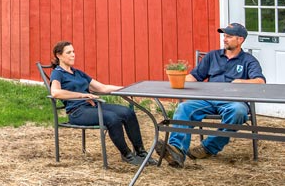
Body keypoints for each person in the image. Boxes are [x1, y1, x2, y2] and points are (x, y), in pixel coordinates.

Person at [157, 23, 265, 168]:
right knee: (184, 107)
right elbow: (195, 77)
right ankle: (176, 150)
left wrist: (240, 81)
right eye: (224, 36)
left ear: (240, 40)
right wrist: (178, 79)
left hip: (233, 101)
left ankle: (208, 148)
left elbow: (260, 81)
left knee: (238, 112)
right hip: (208, 99)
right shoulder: (212, 56)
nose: (225, 39)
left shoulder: (248, 60)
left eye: (229, 36)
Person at [49, 40, 157, 166]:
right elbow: (55, 92)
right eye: (69, 52)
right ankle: (127, 155)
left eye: (73, 51)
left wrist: (126, 89)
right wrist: (82, 95)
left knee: (128, 112)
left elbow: (102, 88)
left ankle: (141, 152)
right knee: (112, 118)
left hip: (93, 106)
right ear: (59, 55)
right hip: (78, 112)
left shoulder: (78, 73)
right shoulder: (57, 73)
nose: (73, 55)